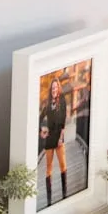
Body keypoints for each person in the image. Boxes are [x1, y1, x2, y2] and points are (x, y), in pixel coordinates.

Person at [39, 77, 67, 205]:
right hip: (50, 139)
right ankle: (49, 200)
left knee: (63, 165)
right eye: (52, 88)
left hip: (59, 138)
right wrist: (42, 130)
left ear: (58, 88)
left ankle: (65, 194)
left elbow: (63, 120)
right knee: (48, 169)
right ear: (50, 90)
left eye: (56, 87)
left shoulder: (62, 101)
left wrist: (61, 137)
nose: (54, 89)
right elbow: (40, 118)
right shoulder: (48, 104)